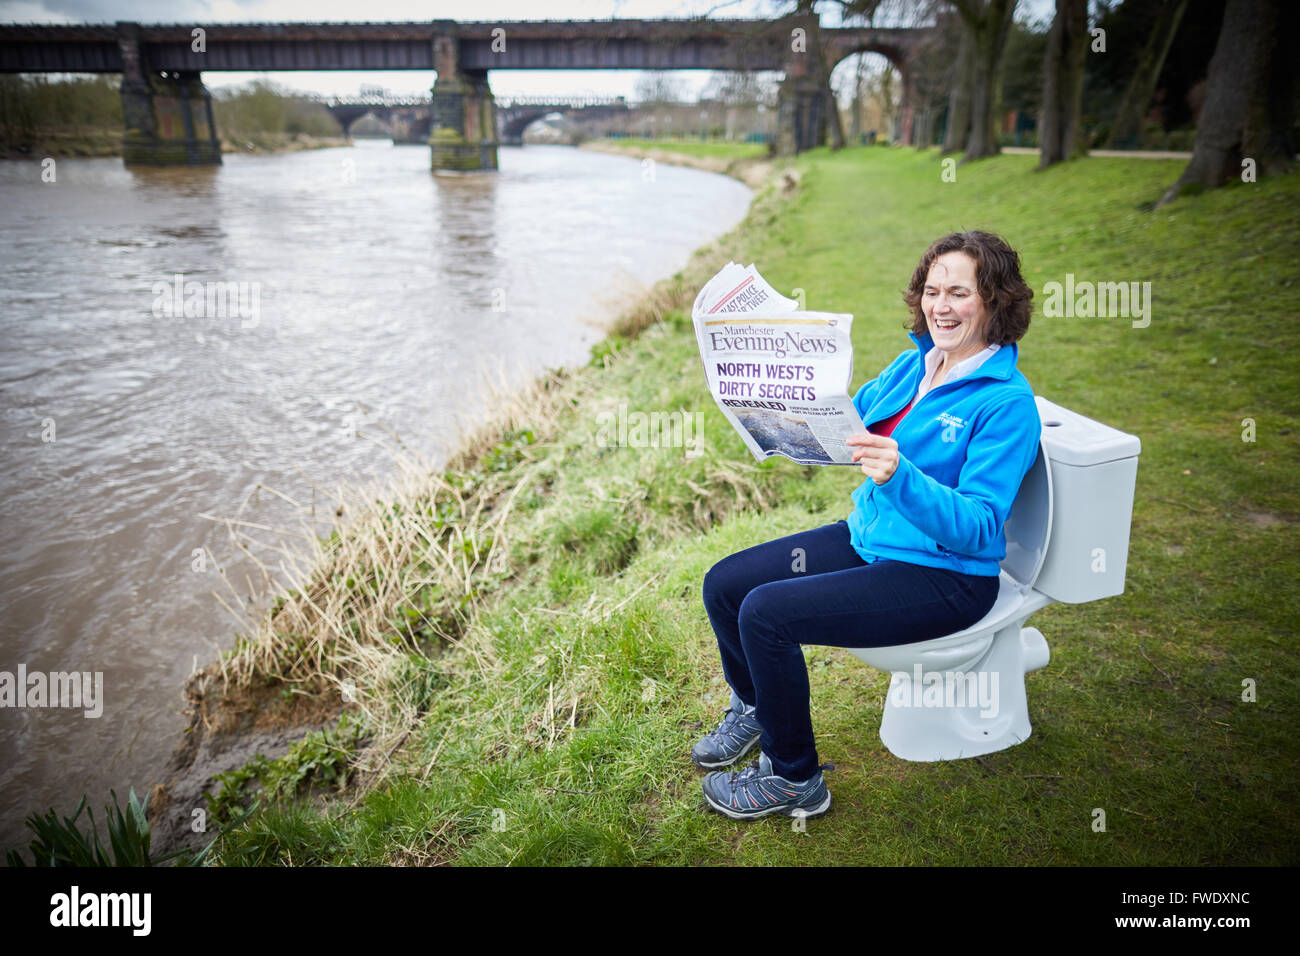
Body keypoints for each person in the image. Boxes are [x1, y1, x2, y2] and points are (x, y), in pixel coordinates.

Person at [695, 230, 1042, 820]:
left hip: (947, 575)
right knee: (725, 584)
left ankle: (793, 779)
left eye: (959, 293)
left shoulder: (1007, 404)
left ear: (995, 301)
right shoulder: (915, 365)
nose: (941, 306)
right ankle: (757, 707)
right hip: (873, 540)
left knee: (766, 613)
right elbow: (853, 418)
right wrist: (786, 408)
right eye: (933, 291)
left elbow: (983, 528)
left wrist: (899, 475)